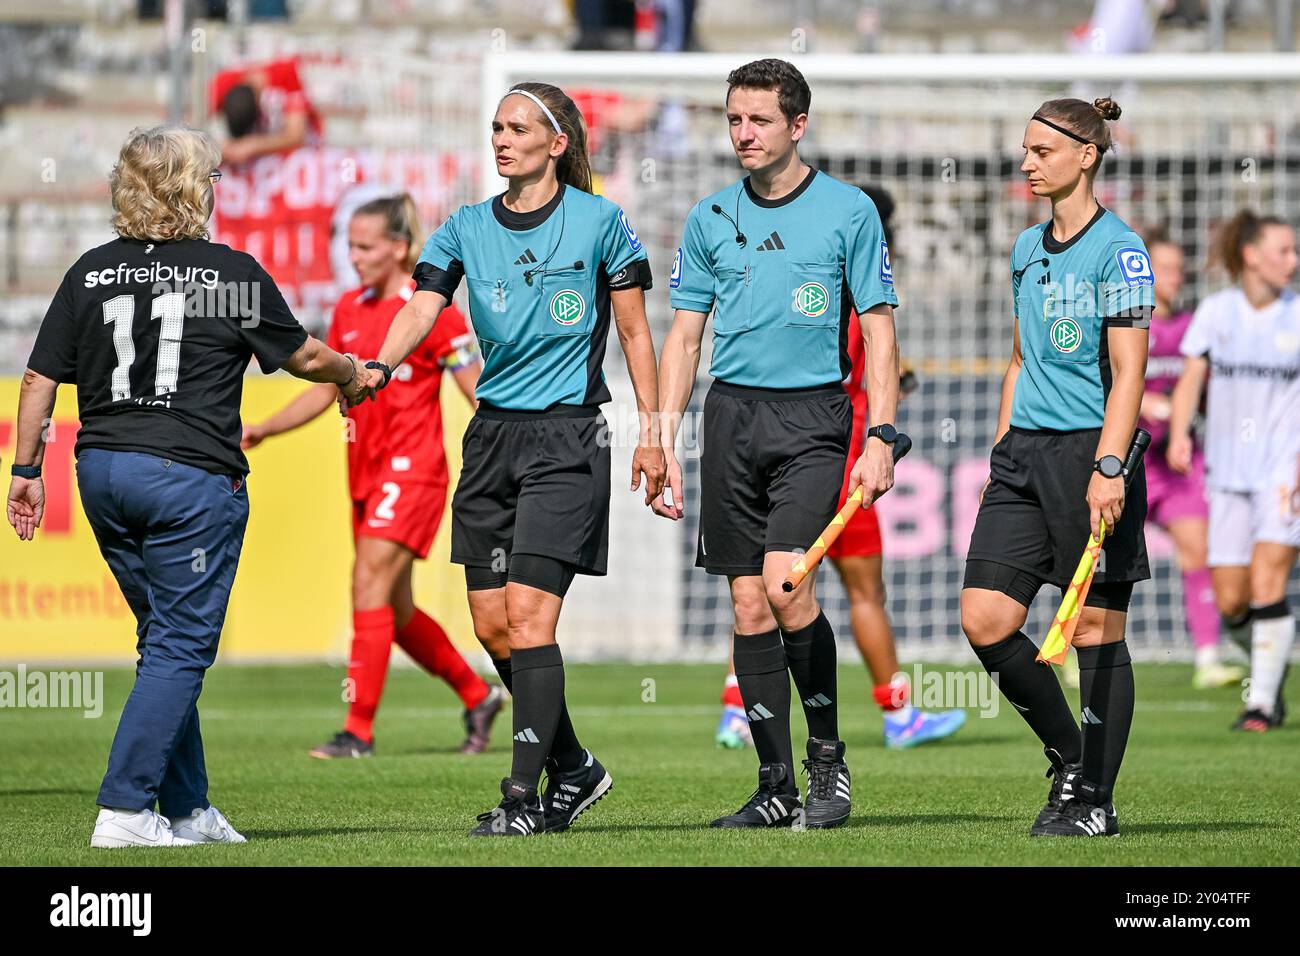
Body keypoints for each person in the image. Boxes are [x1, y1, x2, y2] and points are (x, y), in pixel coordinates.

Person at [5, 125, 371, 848]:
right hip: (187, 478)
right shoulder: (229, 273)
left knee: (163, 639)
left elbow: (39, 377)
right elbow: (301, 355)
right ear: (192, 189)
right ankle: (124, 809)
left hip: (102, 472)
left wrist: (23, 472)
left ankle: (188, 809)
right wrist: (354, 373)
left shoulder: (90, 271)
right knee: (179, 647)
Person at [359, 83, 663, 836]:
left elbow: (633, 334)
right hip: (491, 439)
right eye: (496, 126)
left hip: (567, 438)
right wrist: (378, 366)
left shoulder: (601, 222)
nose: (502, 138)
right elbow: (422, 305)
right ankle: (577, 769)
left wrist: (654, 431)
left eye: (518, 127)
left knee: (529, 619)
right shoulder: (463, 225)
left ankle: (523, 802)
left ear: (556, 143)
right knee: (494, 627)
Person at [657, 58, 901, 830]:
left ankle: (826, 761)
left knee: (786, 586)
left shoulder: (848, 210)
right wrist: (659, 436)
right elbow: (685, 337)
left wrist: (883, 434)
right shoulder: (708, 217)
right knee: (747, 602)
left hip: (814, 420)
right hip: (731, 418)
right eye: (734, 119)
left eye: (758, 119)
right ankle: (772, 786)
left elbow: (880, 328)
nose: (743, 133)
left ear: (798, 125)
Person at [242, 194, 506, 758]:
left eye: (366, 246)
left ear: (400, 248)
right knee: (396, 607)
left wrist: (515, 435)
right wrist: (263, 429)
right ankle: (476, 693)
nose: (355, 256)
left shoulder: (432, 313)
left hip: (415, 473)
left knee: (366, 584)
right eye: (351, 245)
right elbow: (325, 390)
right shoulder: (348, 309)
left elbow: (472, 384)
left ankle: (357, 731)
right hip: (363, 471)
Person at [961, 97, 1153, 838]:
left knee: (1096, 630)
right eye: (1025, 149)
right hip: (1024, 454)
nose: (1027, 162)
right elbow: (1018, 358)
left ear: (1087, 155)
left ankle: (1095, 801)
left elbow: (1129, 374)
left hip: (1088, 452)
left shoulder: (1120, 250)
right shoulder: (1025, 247)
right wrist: (1000, 448)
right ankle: (1072, 756)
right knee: (985, 619)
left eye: (1041, 150)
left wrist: (1109, 465)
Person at [714, 185, 964, 752]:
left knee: (761, 590)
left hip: (788, 442)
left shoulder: (802, 271)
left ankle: (737, 710)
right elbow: (869, 356)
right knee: (859, 592)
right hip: (842, 453)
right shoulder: (861, 284)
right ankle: (897, 715)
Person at [1168, 210, 1300, 732]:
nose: (1292, 260)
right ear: (1251, 255)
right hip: (1225, 473)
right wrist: (1179, 432)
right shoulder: (1217, 313)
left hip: (1283, 473)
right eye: (1283, 250)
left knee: (1269, 581)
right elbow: (1189, 378)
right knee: (1232, 599)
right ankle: (1272, 661)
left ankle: (1261, 703)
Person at [1139, 227, 1241, 689]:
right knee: (1092, 555)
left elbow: (1204, 387)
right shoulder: (1128, 324)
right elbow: (1103, 384)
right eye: (1167, 268)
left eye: (1180, 268)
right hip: (1125, 460)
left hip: (1178, 460)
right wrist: (1144, 403)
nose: (1176, 277)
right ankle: (1076, 653)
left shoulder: (1191, 328)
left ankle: (1206, 659)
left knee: (1199, 548)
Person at [209, 57, 322, 165]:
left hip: (301, 156)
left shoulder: (285, 73)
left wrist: (251, 146)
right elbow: (194, 120)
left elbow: (296, 136)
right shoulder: (223, 83)